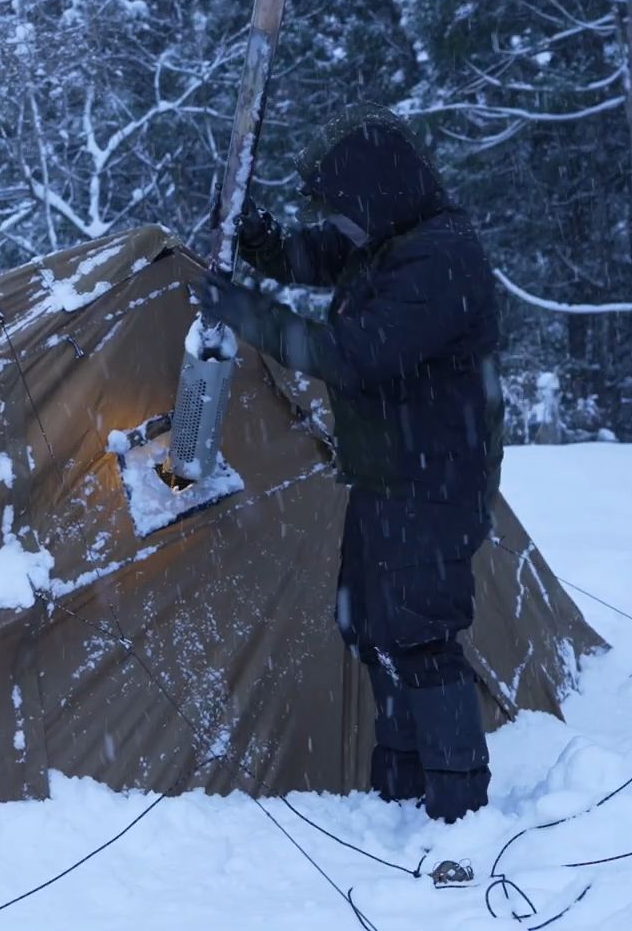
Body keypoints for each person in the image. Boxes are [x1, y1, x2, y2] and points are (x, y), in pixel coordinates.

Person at [196, 103, 505, 822]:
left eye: (343, 209)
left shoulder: (439, 259)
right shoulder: (387, 239)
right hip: (387, 475)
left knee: (421, 636)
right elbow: (305, 258)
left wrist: (248, 314)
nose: (338, 225)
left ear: (379, 191)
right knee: (372, 626)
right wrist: (252, 233)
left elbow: (355, 355)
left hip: (436, 481)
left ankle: (457, 807)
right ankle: (399, 792)